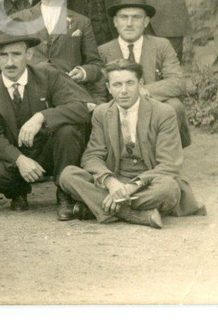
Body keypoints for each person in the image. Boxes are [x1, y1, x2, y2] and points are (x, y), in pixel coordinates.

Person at [58, 60, 205, 228]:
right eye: (117, 84)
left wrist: (132, 187)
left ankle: (103, 207)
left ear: (140, 84)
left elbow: (169, 164)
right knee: (67, 175)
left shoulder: (164, 112)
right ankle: (136, 215)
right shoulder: (102, 112)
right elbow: (92, 156)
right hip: (115, 179)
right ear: (108, 88)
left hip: (149, 182)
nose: (124, 91)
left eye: (130, 83)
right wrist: (111, 183)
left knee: (169, 188)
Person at [0, 33, 93, 219]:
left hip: (49, 152)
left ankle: (65, 193)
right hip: (15, 155)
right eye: (4, 55)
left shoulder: (47, 75)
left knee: (68, 131)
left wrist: (41, 117)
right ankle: (18, 191)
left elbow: (80, 108)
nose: (10, 62)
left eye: (16, 54)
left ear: (29, 54)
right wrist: (19, 159)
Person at [98, 0, 190, 148]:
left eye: (136, 17)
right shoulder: (103, 52)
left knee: (174, 105)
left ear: (146, 22)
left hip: (153, 109)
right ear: (115, 22)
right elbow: (99, 91)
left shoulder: (161, 45)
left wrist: (142, 91)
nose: (129, 24)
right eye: (124, 17)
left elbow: (177, 82)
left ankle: (165, 157)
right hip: (120, 111)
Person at [7, 0, 105, 101]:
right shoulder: (19, 19)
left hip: (68, 94)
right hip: (29, 95)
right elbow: (2, 60)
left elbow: (95, 64)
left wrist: (83, 72)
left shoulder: (81, 22)